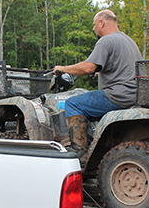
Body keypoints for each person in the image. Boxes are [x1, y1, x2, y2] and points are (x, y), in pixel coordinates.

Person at [53, 10, 142, 153]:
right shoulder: (129, 41)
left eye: (94, 25)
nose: (94, 29)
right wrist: (100, 70)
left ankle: (79, 154)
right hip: (135, 96)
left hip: (118, 96)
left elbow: (88, 67)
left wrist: (63, 69)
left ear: (102, 23)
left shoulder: (106, 41)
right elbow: (122, 66)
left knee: (73, 103)